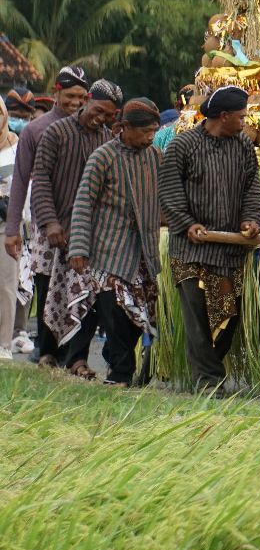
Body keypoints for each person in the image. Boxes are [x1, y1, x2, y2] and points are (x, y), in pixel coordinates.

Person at [159, 85, 260, 394]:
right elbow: (169, 191)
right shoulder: (183, 145)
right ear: (224, 116)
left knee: (228, 317)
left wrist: (251, 220)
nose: (245, 122)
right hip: (191, 250)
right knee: (198, 318)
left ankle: (210, 373)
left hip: (229, 251)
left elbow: (251, 188)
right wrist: (187, 223)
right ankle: (207, 381)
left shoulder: (243, 146)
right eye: (241, 117)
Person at [63, 99, 162, 387]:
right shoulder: (102, 157)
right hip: (108, 251)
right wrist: (79, 248)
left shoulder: (155, 156)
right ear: (124, 127)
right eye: (145, 131)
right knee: (116, 314)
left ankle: (117, 363)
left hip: (143, 252)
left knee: (136, 318)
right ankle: (120, 376)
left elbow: (167, 196)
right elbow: (83, 203)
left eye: (154, 131)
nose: (150, 137)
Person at [33, 80, 123, 376]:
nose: (103, 118)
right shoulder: (56, 133)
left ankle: (77, 358)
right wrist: (50, 222)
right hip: (54, 228)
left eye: (110, 115)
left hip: (89, 233)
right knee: (50, 290)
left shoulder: (107, 140)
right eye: (99, 110)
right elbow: (41, 179)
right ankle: (48, 352)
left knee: (88, 295)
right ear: (86, 100)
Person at [5, 67, 90, 362]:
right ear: (56, 93)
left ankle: (74, 356)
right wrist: (12, 229)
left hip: (82, 226)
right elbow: (20, 181)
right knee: (46, 285)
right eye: (70, 96)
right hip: (45, 225)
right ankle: (47, 351)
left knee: (79, 287)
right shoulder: (35, 129)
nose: (75, 102)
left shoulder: (91, 128)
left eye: (81, 96)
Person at [0, 97, 20, 360]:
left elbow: (23, 184)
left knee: (6, 285)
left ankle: (4, 343)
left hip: (7, 226)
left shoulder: (15, 145)